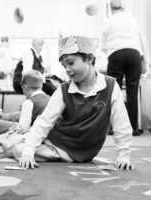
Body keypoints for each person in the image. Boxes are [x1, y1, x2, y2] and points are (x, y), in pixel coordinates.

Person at [8, 35, 133, 171]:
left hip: (69, 150)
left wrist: (123, 156)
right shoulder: (64, 89)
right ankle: (21, 136)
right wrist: (29, 151)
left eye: (71, 63)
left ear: (89, 59)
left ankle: (20, 138)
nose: (67, 69)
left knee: (15, 147)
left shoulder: (111, 86)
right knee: (18, 143)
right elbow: (45, 121)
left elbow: (122, 124)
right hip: (56, 139)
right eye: (64, 65)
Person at [101, 0, 149, 136]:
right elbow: (141, 40)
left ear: (110, 9)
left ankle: (114, 127)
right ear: (123, 8)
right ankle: (133, 127)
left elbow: (103, 45)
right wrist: (144, 58)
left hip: (116, 53)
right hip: (134, 53)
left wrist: (111, 53)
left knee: (114, 91)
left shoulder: (108, 21)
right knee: (132, 91)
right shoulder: (132, 19)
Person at [2, 70, 50, 156]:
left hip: (41, 138)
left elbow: (22, 128)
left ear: (24, 86)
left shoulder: (29, 102)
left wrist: (13, 132)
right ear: (41, 85)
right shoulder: (50, 98)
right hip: (54, 137)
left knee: (7, 145)